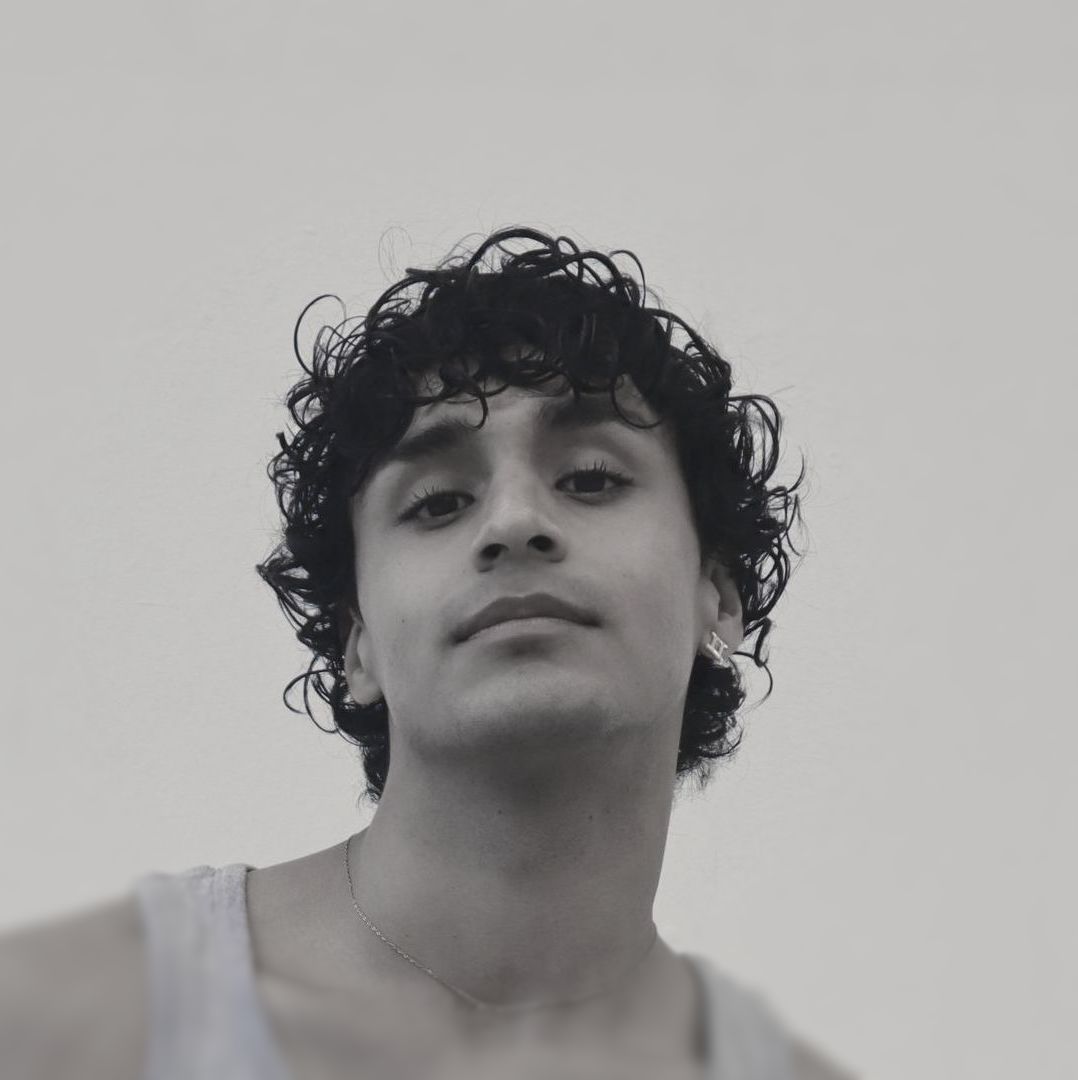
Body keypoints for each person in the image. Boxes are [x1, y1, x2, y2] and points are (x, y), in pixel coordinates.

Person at [0, 227, 855, 1079]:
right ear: (356, 643)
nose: (514, 520)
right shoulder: (81, 1022)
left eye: (591, 477)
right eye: (440, 502)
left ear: (721, 594)